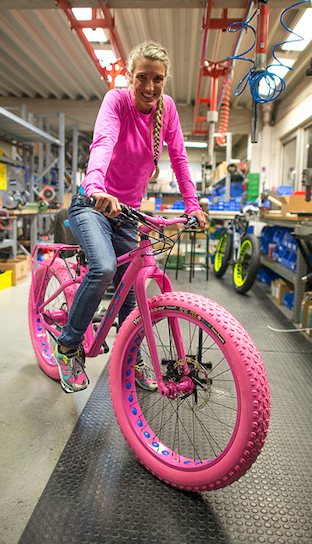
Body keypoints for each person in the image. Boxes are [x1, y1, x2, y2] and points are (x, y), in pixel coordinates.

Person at [55, 40, 208, 393]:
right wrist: (95, 185)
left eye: (158, 79)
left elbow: (181, 160)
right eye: (142, 77)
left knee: (132, 287)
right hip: (93, 205)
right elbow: (103, 142)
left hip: (128, 214)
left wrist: (192, 204)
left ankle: (131, 357)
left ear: (165, 80)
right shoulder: (117, 101)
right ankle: (68, 346)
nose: (150, 87)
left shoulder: (167, 110)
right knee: (105, 268)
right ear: (129, 77)